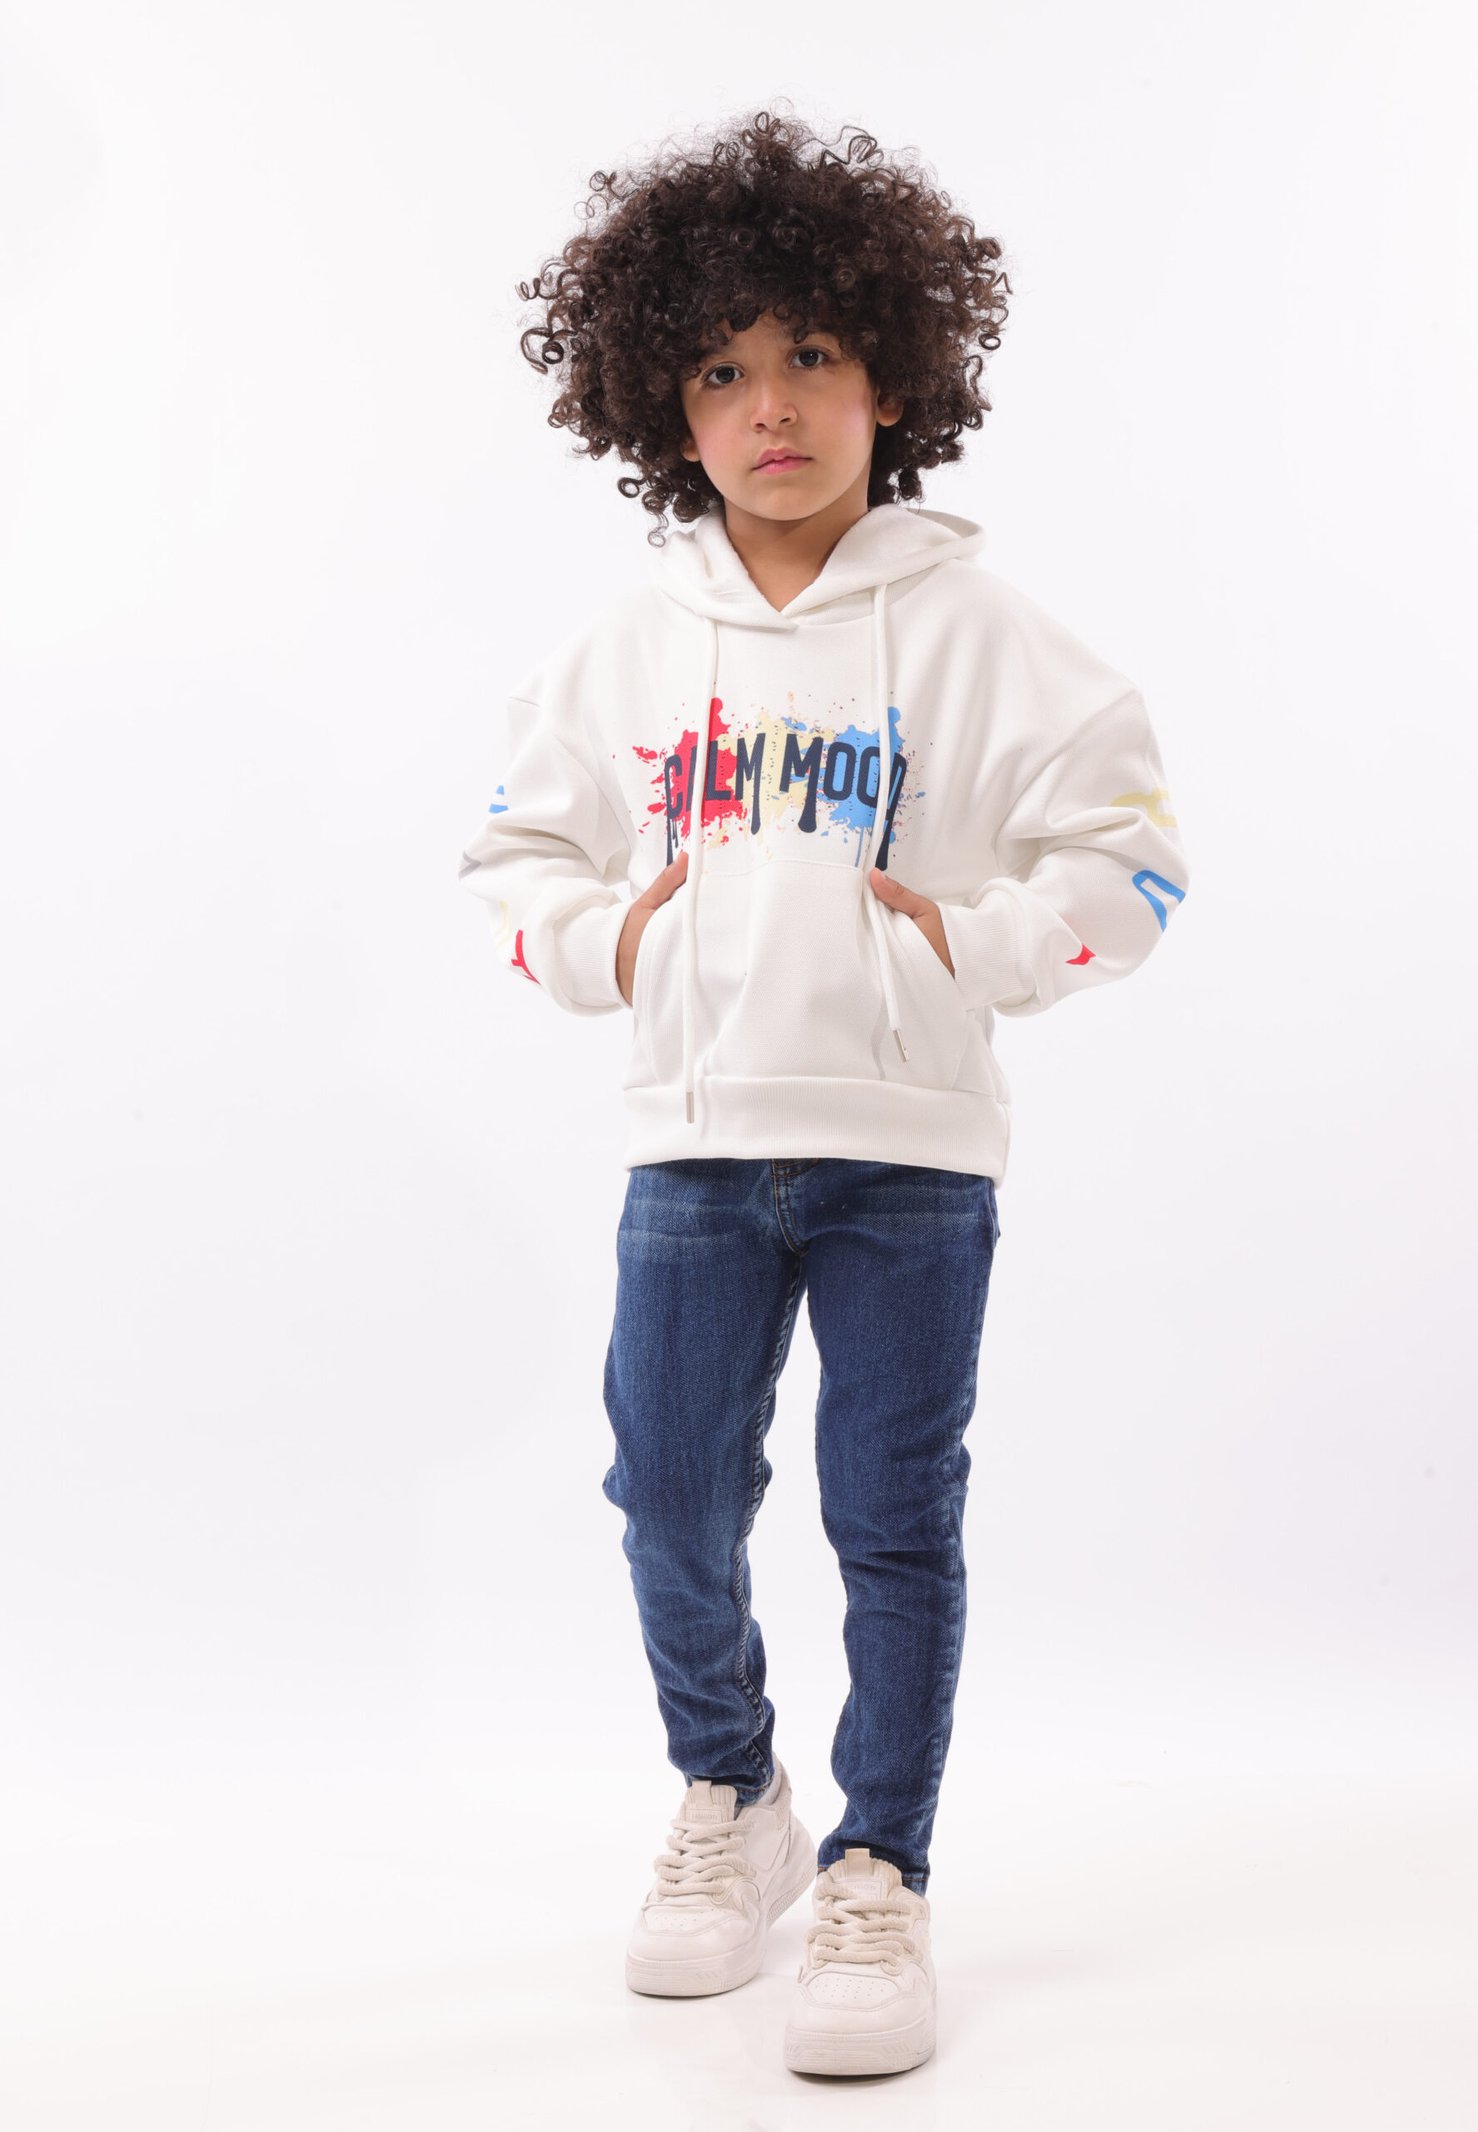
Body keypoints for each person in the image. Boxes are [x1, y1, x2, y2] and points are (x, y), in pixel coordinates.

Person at [458, 106, 1190, 2079]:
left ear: (894, 375)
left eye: (808, 354)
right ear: (662, 412)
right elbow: (513, 862)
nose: (768, 405)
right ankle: (734, 1790)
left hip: (908, 1162)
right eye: (718, 371)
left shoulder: (985, 634)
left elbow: (1137, 859)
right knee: (668, 1496)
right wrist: (611, 946)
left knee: (892, 1519)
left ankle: (880, 1870)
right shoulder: (628, 644)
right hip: (695, 1153)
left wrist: (986, 944)